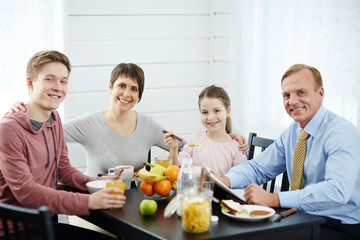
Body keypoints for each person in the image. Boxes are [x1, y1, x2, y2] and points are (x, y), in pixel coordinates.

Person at [10, 63, 249, 177]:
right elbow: (47, 131)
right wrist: (21, 112)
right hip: (96, 203)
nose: (126, 94)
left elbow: (188, 147)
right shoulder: (89, 124)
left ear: (139, 95)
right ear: (110, 87)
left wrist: (230, 134)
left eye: (133, 89)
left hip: (133, 202)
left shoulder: (147, 125)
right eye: (121, 86)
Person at [216, 64, 360, 240]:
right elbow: (258, 168)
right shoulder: (293, 132)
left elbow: (337, 191)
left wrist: (274, 199)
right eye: (286, 95)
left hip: (340, 225)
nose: (292, 101)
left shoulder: (341, 133)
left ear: (320, 93)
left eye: (301, 92)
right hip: (301, 216)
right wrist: (224, 181)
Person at [0, 50, 125, 240]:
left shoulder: (54, 117)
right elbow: (26, 192)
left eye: (63, 81)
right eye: (50, 79)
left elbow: (63, 169)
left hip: (46, 221)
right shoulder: (9, 129)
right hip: (15, 230)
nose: (58, 87)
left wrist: (97, 184)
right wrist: (89, 201)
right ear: (30, 82)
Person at [164, 85, 247, 175]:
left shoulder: (237, 146)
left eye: (216, 111)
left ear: (227, 111)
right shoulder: (195, 138)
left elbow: (240, 179)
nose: (210, 117)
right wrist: (173, 148)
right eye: (205, 112)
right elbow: (175, 170)